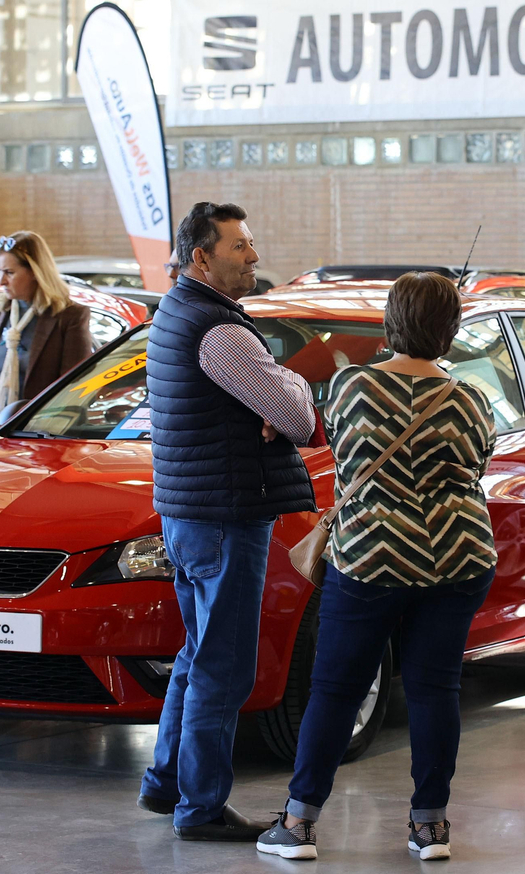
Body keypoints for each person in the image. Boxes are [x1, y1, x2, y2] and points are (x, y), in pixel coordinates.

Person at [255, 272, 497, 863]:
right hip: (456, 555)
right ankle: (430, 828)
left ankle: (298, 824)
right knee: (435, 689)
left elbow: (334, 446)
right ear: (450, 329)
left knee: (337, 689)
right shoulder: (471, 399)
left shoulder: (351, 386)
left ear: (392, 322)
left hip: (369, 555)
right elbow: (478, 465)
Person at [138, 202, 319, 841]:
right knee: (224, 665)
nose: (254, 256)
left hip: (191, 514)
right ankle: (202, 808)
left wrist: (276, 389)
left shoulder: (175, 313)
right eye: (239, 245)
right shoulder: (218, 331)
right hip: (225, 517)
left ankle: (166, 783)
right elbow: (298, 419)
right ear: (201, 256)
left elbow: (276, 403)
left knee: (197, 654)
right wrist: (287, 391)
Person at [0, 231, 93, 447]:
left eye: (9, 272)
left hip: (45, 438)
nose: (1, 281)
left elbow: (74, 388)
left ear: (36, 272)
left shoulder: (69, 317)